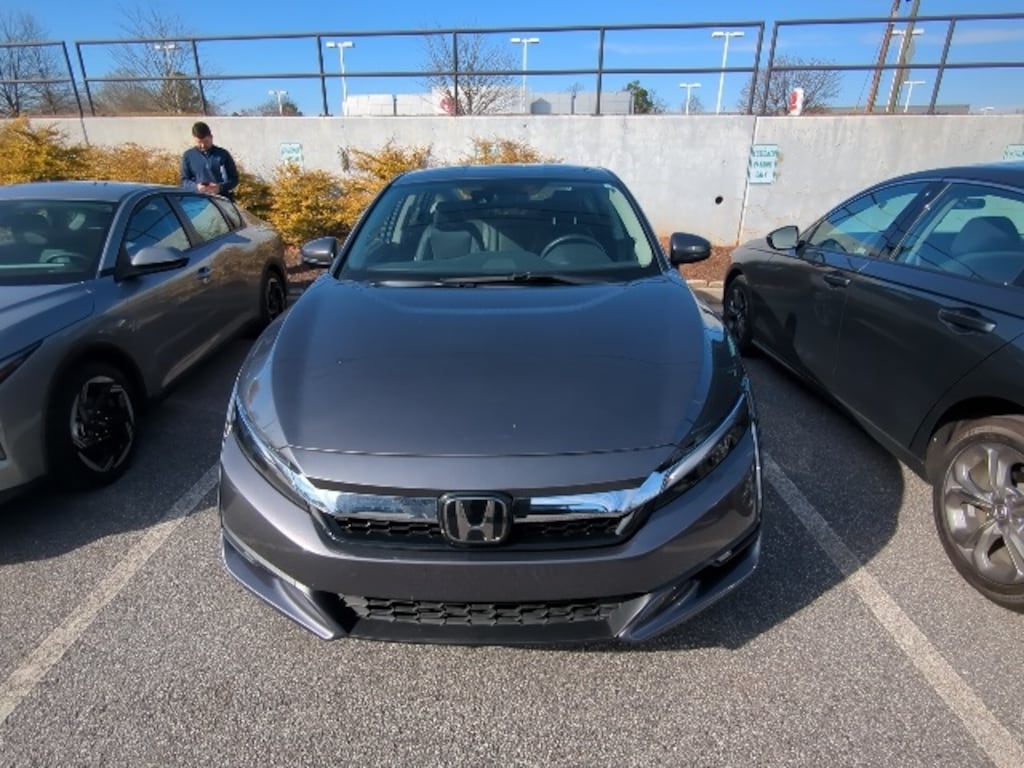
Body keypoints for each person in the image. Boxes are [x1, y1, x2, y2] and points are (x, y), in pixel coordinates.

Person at [180, 121, 239, 200]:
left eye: (206, 141)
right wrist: (196, 187)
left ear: (211, 137)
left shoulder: (223, 154)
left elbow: (234, 179)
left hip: (222, 200)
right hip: (197, 201)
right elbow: (184, 180)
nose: (203, 145)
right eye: (199, 142)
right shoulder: (188, 156)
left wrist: (220, 187)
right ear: (194, 139)